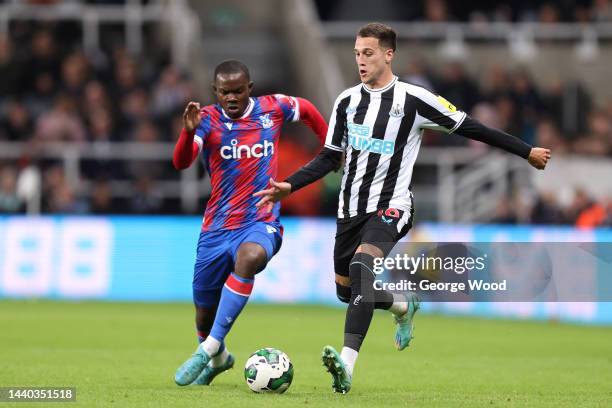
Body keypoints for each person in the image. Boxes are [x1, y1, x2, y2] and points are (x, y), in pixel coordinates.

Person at [254, 22, 551, 394]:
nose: (360, 61)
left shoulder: (413, 99)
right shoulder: (347, 101)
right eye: (357, 53)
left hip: (392, 206)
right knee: (348, 293)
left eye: (368, 53)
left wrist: (526, 151)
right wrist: (290, 184)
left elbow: (469, 126)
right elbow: (331, 156)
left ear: (388, 54)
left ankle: (346, 364)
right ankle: (401, 305)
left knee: (363, 267)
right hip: (350, 210)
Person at [172, 60, 327, 386]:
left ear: (249, 88)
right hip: (216, 227)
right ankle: (219, 357)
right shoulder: (207, 121)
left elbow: (309, 110)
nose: (232, 97)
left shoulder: (273, 108)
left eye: (238, 91)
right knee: (203, 310)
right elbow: (181, 162)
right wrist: (187, 134)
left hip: (261, 219)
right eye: (225, 92)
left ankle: (208, 348)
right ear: (215, 92)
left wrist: (330, 147)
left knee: (250, 257)